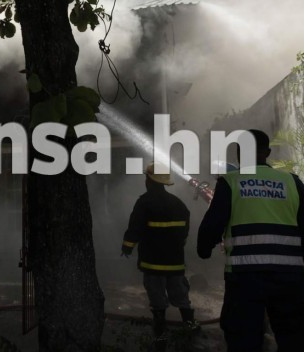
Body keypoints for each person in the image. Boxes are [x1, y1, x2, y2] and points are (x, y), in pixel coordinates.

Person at [198, 129, 304, 352]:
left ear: (238, 153)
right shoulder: (291, 182)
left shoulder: (230, 182)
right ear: (267, 152)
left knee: (243, 339)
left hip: (244, 278)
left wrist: (204, 248)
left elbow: (213, 223)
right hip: (290, 278)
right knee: (293, 336)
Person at [122, 163, 200, 351]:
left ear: (149, 180)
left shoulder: (144, 202)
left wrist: (127, 247)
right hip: (174, 262)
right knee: (181, 295)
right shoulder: (178, 204)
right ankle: (190, 325)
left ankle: (160, 336)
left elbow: (135, 228)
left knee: (157, 300)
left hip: (153, 263)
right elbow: (184, 231)